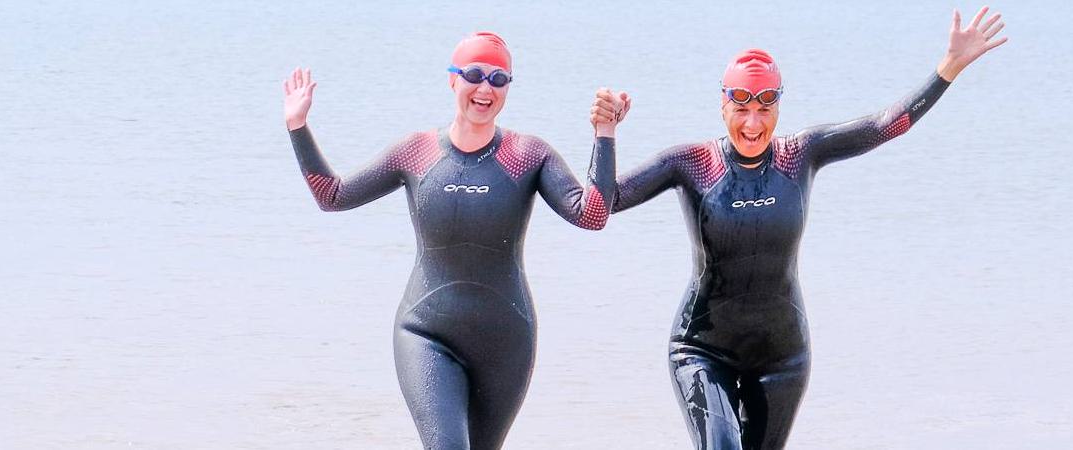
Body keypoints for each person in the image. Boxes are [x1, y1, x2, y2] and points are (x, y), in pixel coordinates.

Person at [608, 9, 1008, 450]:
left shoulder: (801, 155)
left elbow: (884, 126)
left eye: (765, 108)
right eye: (741, 109)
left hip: (782, 357)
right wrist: (605, 132)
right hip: (702, 348)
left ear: (778, 105)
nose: (753, 124)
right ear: (722, 104)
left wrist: (947, 68)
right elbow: (601, 205)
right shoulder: (691, 163)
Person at [280, 31, 632, 449]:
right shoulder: (417, 152)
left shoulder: (528, 154)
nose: (485, 88)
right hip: (425, 331)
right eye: (474, 74)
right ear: (452, 80)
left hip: (505, 341)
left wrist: (605, 133)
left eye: (499, 79)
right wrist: (297, 126)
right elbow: (332, 196)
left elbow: (591, 215)